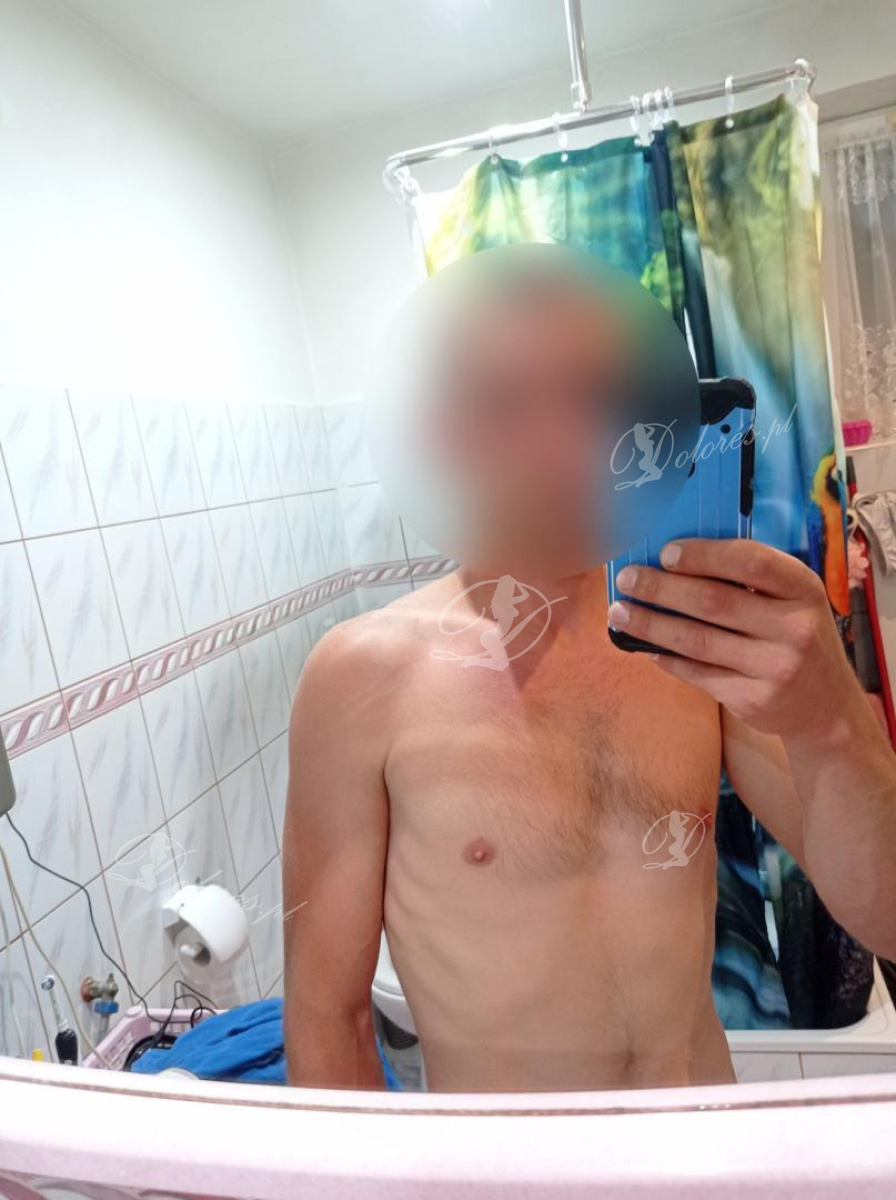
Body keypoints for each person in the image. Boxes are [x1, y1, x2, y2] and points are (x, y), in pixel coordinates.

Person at [282, 273, 896, 1093]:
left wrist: (832, 722)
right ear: (444, 434)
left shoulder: (700, 633)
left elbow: (887, 915)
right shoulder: (362, 676)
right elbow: (328, 1016)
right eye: (507, 403)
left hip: (700, 1139)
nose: (564, 443)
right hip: (511, 1160)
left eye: (594, 398)